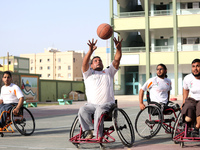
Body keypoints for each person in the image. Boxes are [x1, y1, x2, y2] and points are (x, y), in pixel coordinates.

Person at [78, 37, 123, 139]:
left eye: (100, 60)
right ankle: (89, 130)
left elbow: (116, 60)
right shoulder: (88, 73)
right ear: (91, 65)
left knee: (99, 109)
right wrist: (90, 51)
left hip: (108, 105)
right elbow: (84, 64)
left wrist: (119, 49)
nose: (98, 62)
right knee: (82, 110)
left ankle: (98, 135)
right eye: (95, 61)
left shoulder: (108, 72)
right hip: (91, 105)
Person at [181, 58, 200, 136]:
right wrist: (183, 101)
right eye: (193, 66)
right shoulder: (187, 78)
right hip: (192, 99)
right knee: (188, 117)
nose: (195, 68)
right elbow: (185, 89)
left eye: (198, 66)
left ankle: (196, 129)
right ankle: (189, 126)